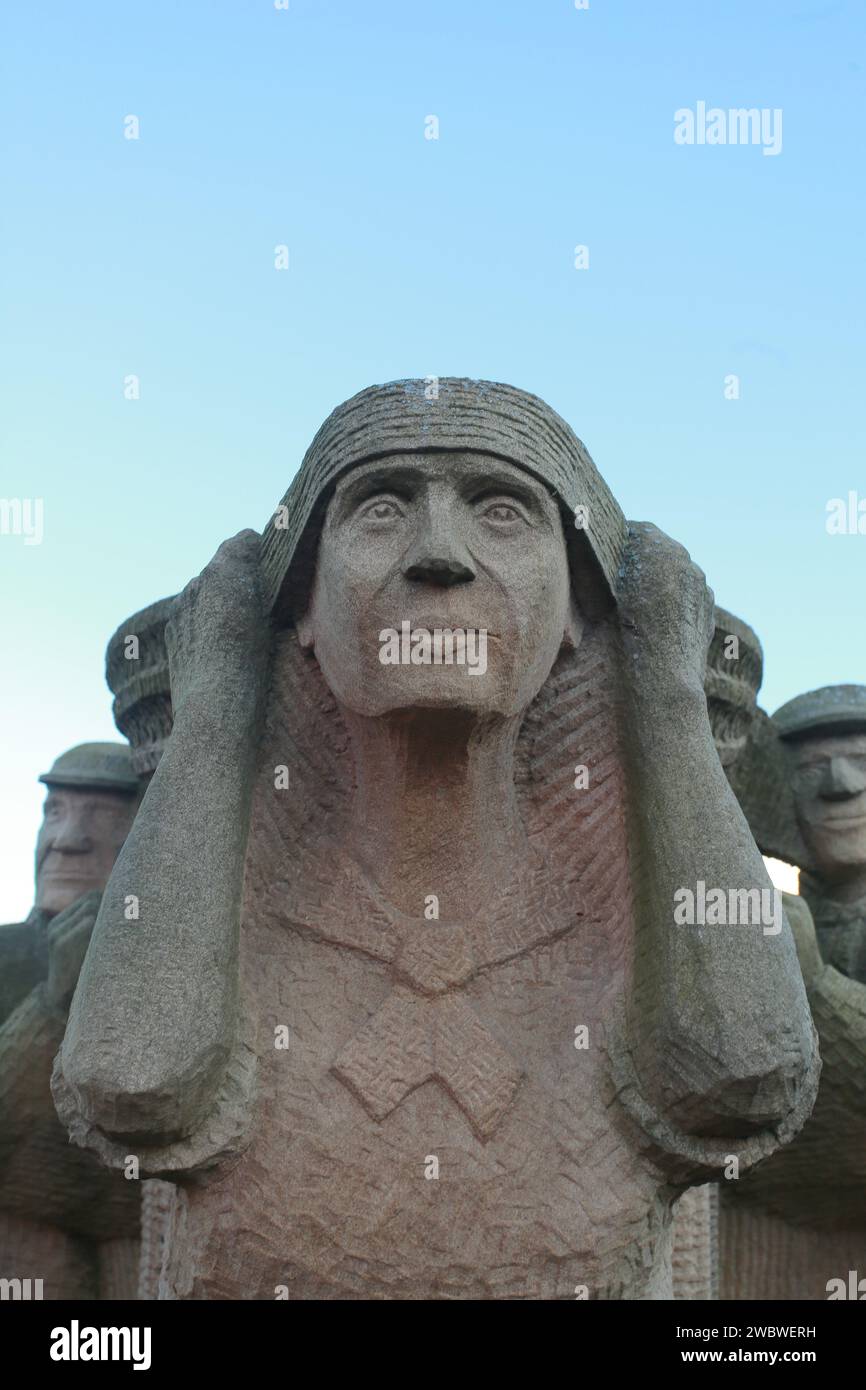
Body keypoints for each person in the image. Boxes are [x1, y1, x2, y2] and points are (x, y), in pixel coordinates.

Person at [55, 380, 817, 1299]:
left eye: (502, 511)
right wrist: (217, 714)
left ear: (579, 612)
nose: (440, 556)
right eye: (381, 509)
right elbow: (133, 1081)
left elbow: (745, 1073)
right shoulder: (238, 908)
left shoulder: (621, 922)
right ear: (299, 611)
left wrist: (666, 702)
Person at [0, 743, 142, 1299]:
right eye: (55, 812)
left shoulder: (195, 966)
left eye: (102, 816)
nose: (66, 838)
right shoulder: (6, 955)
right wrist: (54, 1003)